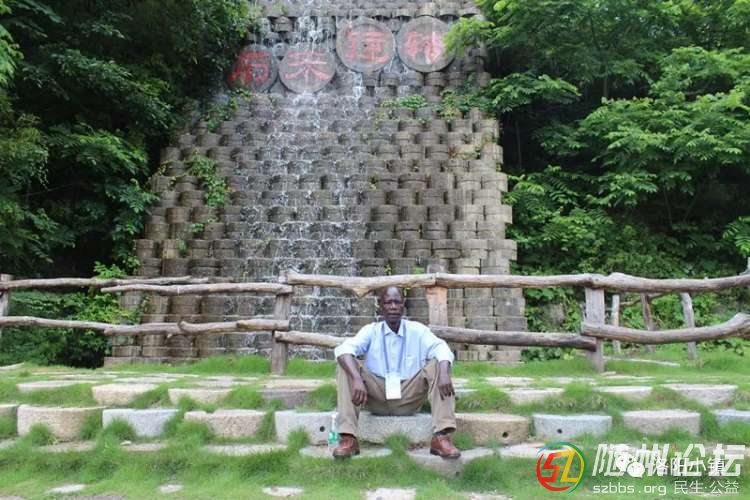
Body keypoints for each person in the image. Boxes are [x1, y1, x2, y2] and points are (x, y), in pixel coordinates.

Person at [332, 285, 460, 459]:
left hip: (409, 395)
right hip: (376, 395)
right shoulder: (371, 330)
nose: (393, 307)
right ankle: (348, 438)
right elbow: (343, 349)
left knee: (440, 363)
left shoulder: (417, 330)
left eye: (397, 302)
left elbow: (441, 348)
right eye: (388, 302)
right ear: (380, 306)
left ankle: (442, 437)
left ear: (403, 305)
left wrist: (444, 372)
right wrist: (356, 378)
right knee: (346, 364)